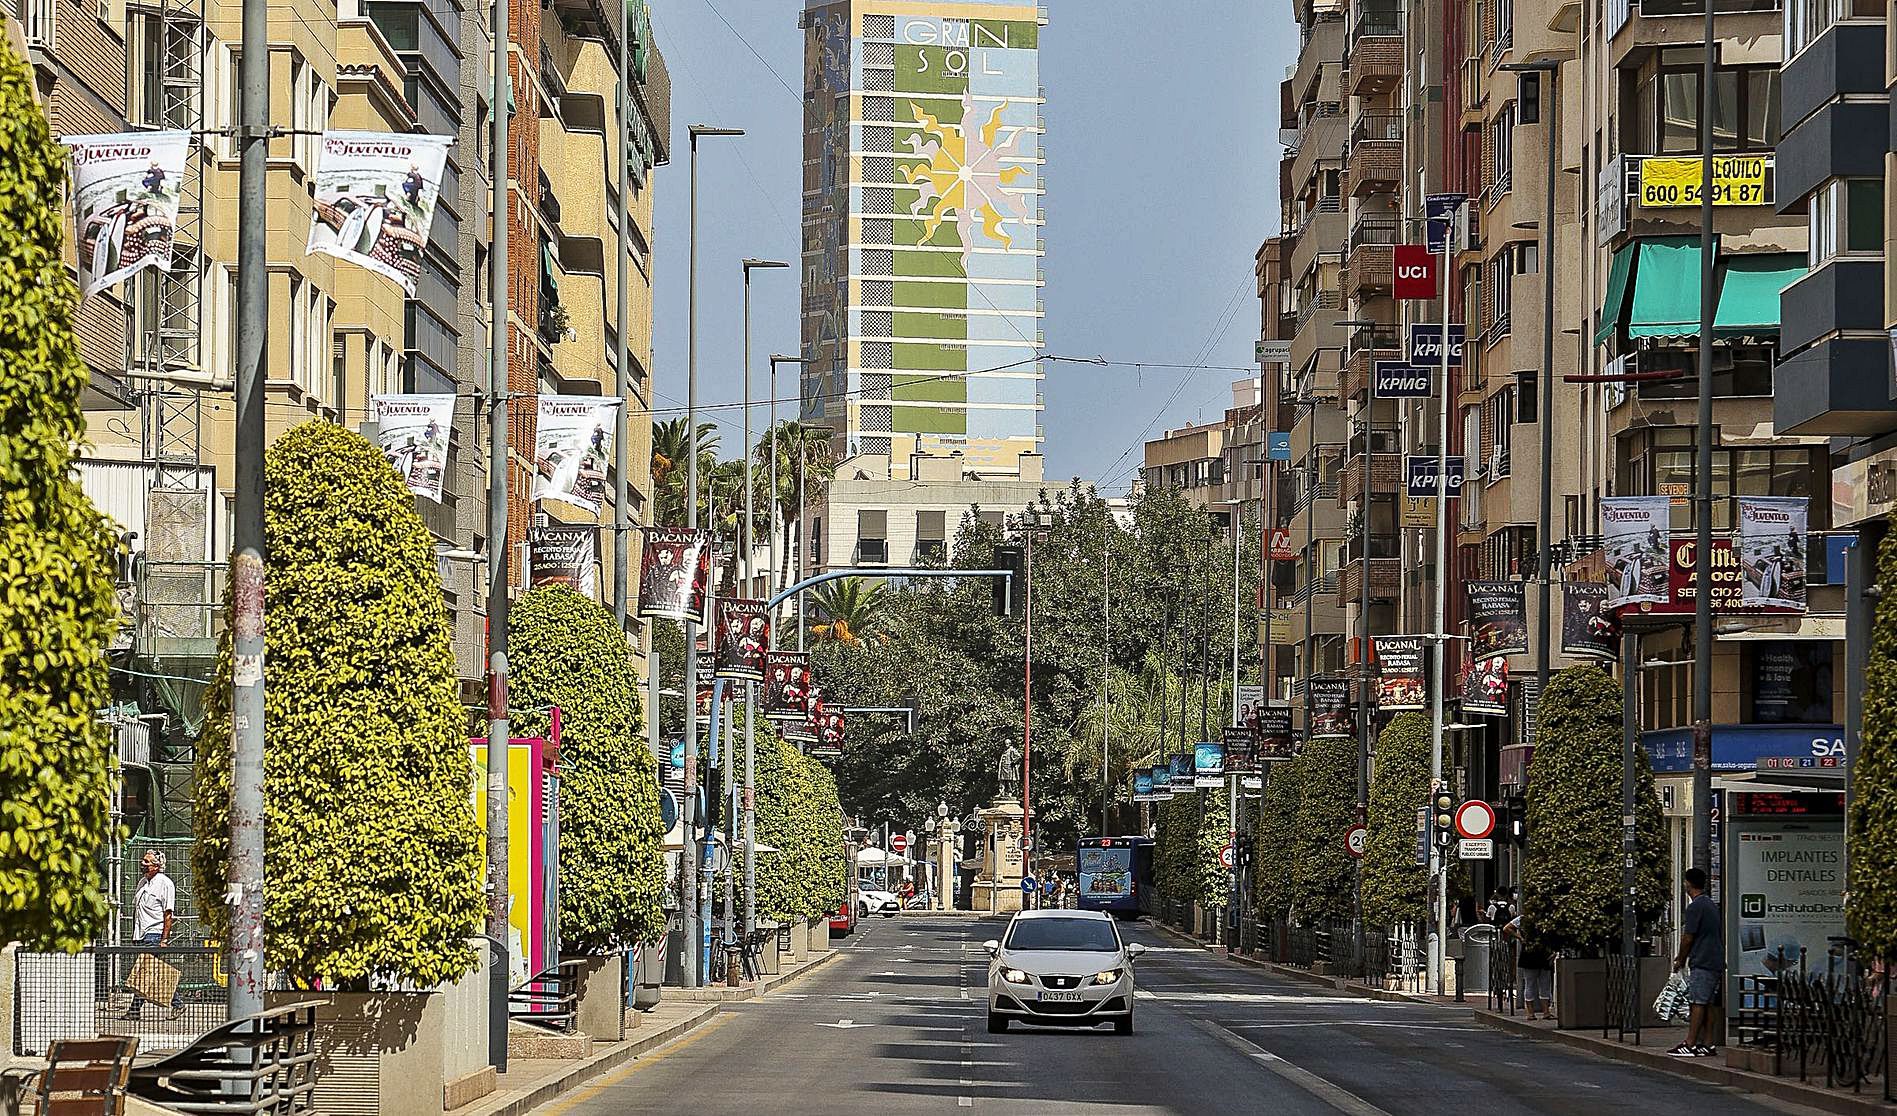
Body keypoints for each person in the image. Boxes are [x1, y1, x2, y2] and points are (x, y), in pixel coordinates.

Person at [1670, 867, 1724, 1057]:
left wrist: (1680, 959)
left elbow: (1688, 937)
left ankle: (1690, 1043)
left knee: (1697, 1002)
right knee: (1708, 1003)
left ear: (1688, 884)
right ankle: (1708, 1043)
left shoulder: (1695, 907)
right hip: (1715, 959)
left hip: (1703, 959)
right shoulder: (1710, 904)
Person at [124, 850, 182, 1020]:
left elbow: (168, 914)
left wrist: (164, 939)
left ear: (157, 866)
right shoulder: (143, 882)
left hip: (154, 934)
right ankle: (176, 1003)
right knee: (149, 973)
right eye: (143, 861)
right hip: (140, 934)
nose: (143, 864)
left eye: (147, 862)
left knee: (146, 972)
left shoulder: (165, 884)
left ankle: (135, 1010)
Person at [1503, 912, 1553, 1021]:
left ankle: (1531, 1013)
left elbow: (1507, 928)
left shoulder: (1523, 919)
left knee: (1530, 983)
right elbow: (1506, 928)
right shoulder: (1546, 917)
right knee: (1544, 983)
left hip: (1529, 952)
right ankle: (1545, 1012)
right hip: (1543, 952)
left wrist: (1520, 937)